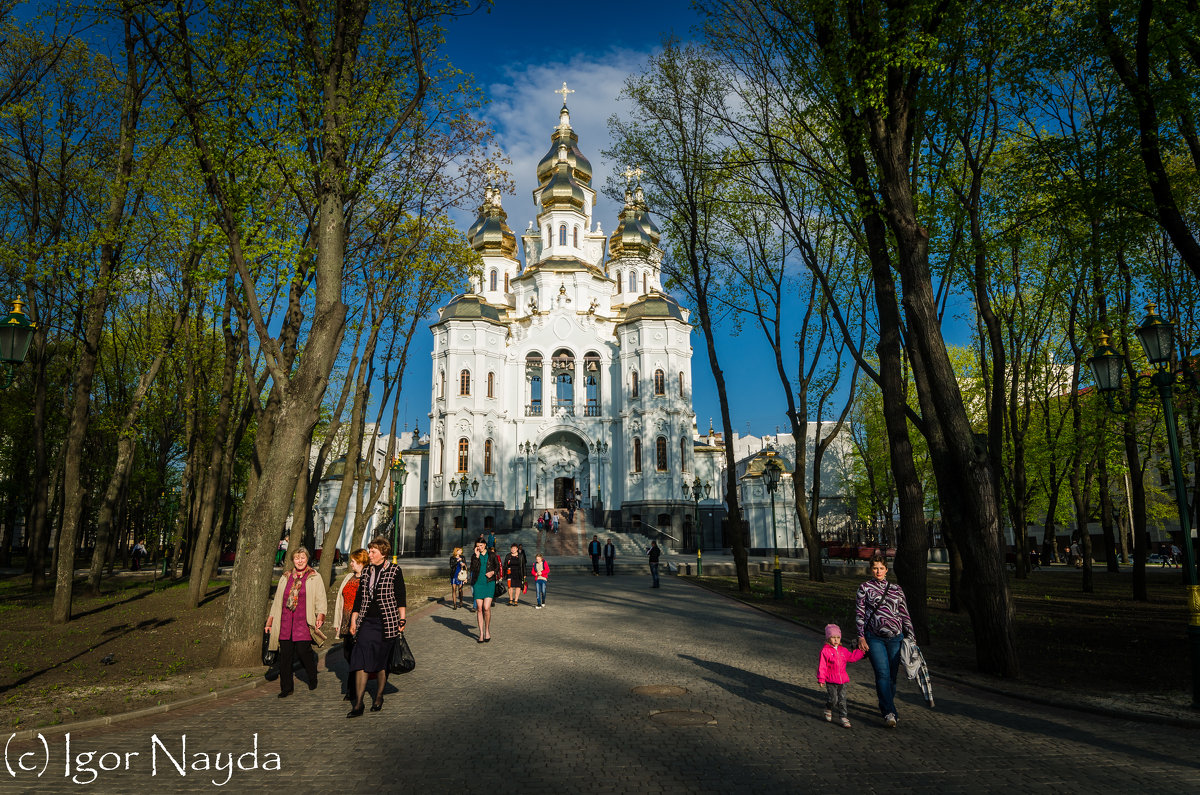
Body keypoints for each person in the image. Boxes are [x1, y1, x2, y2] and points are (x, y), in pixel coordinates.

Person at [347, 537, 406, 717]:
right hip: (366, 621)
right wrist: (353, 620)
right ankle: (358, 704)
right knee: (361, 661)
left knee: (381, 662)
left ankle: (379, 696)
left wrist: (402, 620)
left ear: (383, 553)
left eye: (373, 551)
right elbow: (359, 597)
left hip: (386, 622)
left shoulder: (394, 570)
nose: (370, 554)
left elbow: (400, 596)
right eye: (370, 550)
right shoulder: (366, 572)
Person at [855, 553, 914, 728]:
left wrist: (912, 637)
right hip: (874, 638)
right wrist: (860, 636)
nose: (878, 571)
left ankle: (885, 703)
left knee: (893, 678)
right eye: (875, 568)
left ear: (886, 570)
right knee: (882, 673)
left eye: (881, 568)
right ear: (871, 570)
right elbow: (860, 614)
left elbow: (904, 614)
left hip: (895, 638)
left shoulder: (896, 589)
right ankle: (889, 712)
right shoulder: (864, 588)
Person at [265, 545, 327, 699]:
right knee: (284, 657)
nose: (300, 561)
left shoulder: (314, 576)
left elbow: (320, 598)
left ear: (307, 559)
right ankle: (286, 688)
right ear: (293, 560)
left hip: (303, 623)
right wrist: (270, 622)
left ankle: (312, 676)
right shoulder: (285, 577)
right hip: (285, 622)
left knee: (303, 652)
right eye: (297, 558)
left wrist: (320, 616)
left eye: (303, 558)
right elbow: (278, 601)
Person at [332, 548, 370, 700]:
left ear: (361, 563)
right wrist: (338, 621)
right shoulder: (349, 577)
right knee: (347, 654)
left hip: (361, 624)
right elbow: (339, 600)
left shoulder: (368, 579)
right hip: (346, 622)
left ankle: (352, 690)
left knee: (355, 657)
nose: (351, 564)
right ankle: (357, 682)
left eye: (354, 561)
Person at [817, 623, 866, 728]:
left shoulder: (843, 650)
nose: (836, 640)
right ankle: (828, 708)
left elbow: (852, 658)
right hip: (830, 680)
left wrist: (861, 651)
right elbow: (822, 666)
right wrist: (821, 678)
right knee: (833, 699)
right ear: (828, 638)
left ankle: (843, 717)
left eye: (838, 637)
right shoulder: (825, 651)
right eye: (833, 637)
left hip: (843, 680)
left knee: (842, 699)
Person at [469, 538, 498, 642]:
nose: (479, 548)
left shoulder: (492, 555)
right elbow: (472, 569)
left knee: (486, 607)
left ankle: (487, 630)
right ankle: (481, 633)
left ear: (485, 545)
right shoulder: (474, 556)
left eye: (481, 545)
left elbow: (498, 567)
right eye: (477, 546)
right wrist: (476, 557)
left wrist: (493, 572)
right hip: (478, 583)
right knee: (480, 608)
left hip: (489, 582)